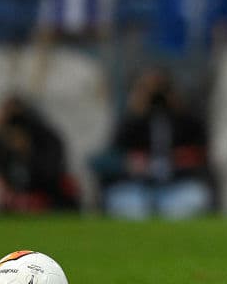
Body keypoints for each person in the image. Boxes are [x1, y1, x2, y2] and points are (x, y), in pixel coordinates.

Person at [92, 67, 214, 219]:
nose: (155, 96)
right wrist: (128, 163)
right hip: (136, 187)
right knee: (129, 207)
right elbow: (102, 160)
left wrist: (180, 160)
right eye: (147, 89)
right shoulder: (128, 123)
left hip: (176, 186)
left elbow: (203, 155)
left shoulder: (187, 122)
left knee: (194, 198)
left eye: (161, 88)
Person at [0, 94, 80, 213]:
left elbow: (50, 173)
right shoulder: (0, 140)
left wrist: (26, 152)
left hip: (50, 201)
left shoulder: (47, 139)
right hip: (13, 202)